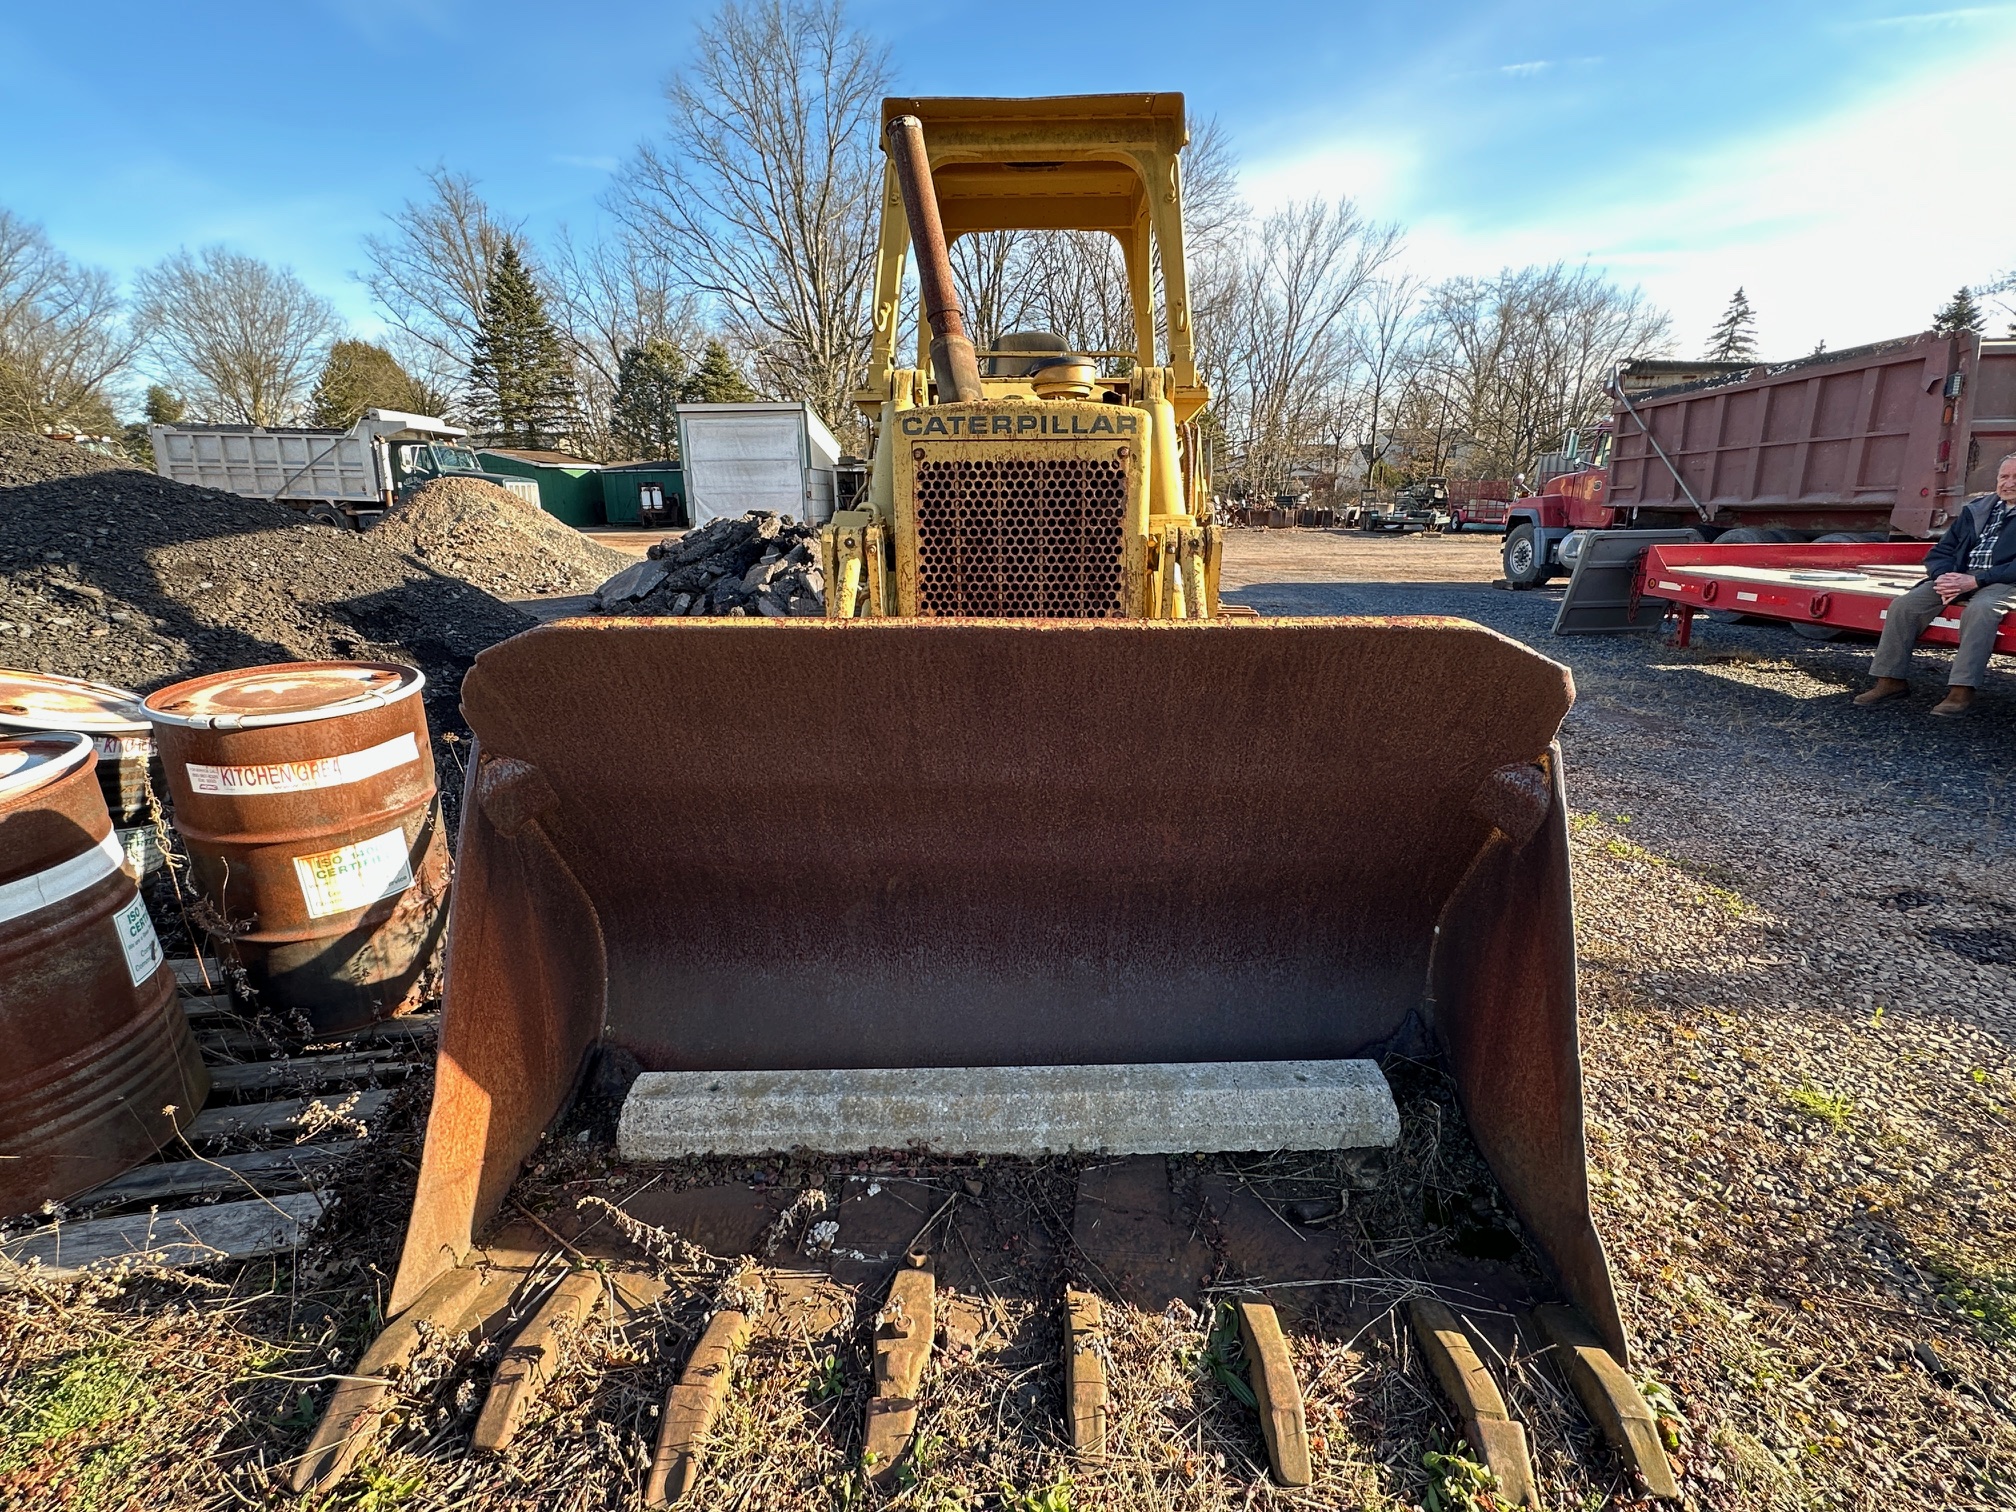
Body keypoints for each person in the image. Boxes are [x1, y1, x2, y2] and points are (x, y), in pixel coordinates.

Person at [1855, 451, 2016, 716]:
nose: (2008, 483)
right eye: (2004, 476)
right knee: (1904, 606)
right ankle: (1890, 680)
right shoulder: (1977, 510)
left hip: (2004, 580)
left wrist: (1976, 580)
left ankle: (1961, 689)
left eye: (2015, 477)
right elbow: (1941, 552)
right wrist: (1943, 577)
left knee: (1981, 611)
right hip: (1960, 575)